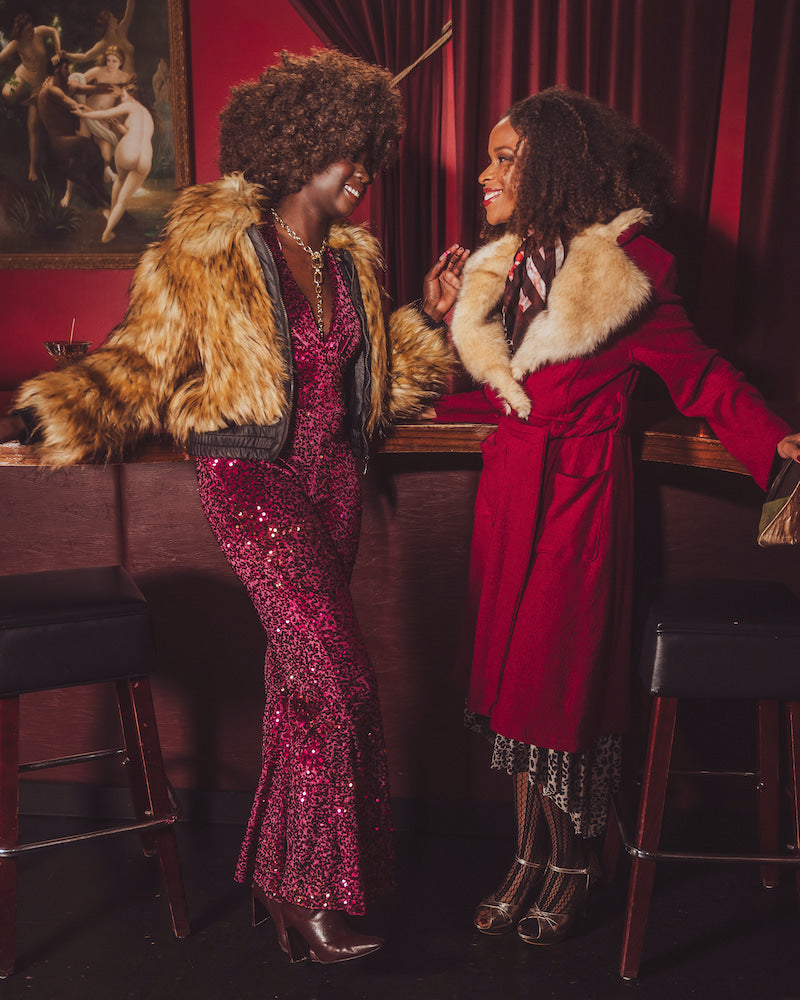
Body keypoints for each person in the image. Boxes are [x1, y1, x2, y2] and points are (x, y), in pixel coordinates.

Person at [0, 49, 467, 963]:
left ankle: (275, 881)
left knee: (300, 690)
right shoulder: (211, 249)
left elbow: (369, 388)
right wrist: (41, 409)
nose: (365, 170)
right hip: (252, 484)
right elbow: (142, 359)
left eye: (371, 150)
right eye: (349, 152)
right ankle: (316, 895)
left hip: (333, 485)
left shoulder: (352, 266)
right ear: (300, 150)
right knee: (341, 679)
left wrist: (432, 317)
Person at [435, 86, 800, 946]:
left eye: (503, 157)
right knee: (507, 690)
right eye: (488, 156)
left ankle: (573, 863)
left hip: (579, 502)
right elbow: (505, 384)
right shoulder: (505, 262)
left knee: (556, 690)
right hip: (509, 493)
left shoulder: (631, 269)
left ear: (552, 165)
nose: (484, 173)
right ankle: (527, 854)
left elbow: (702, 377)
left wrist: (780, 448)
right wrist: (431, 326)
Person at [74, 82, 154, 241]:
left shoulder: (131, 106)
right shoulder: (148, 115)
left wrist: (84, 115)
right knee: (124, 199)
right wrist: (118, 125)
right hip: (145, 157)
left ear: (131, 96)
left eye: (123, 95)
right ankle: (107, 232)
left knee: (120, 180)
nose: (122, 99)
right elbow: (133, 133)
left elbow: (106, 113)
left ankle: (109, 222)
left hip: (128, 151)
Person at [36, 54, 109, 210]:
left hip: (68, 140)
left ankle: (98, 194)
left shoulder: (63, 88)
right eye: (65, 69)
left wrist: (120, 86)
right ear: (56, 70)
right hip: (61, 142)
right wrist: (105, 116)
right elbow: (76, 107)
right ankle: (77, 178)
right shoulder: (51, 91)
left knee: (95, 158)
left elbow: (95, 88)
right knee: (92, 150)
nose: (68, 72)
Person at [0, 12, 61, 181]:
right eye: (27, 31)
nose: (31, 33)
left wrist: (58, 52)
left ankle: (32, 168)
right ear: (20, 32)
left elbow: (54, 32)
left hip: (38, 84)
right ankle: (23, 103)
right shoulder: (16, 44)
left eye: (30, 28)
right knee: (6, 93)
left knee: (33, 126)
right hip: (22, 74)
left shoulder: (39, 31)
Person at [72, 45, 134, 182]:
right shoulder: (97, 71)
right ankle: (80, 176)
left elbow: (129, 96)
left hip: (104, 118)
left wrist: (122, 93)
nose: (111, 64)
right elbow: (78, 80)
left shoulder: (124, 77)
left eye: (114, 61)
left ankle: (105, 172)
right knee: (83, 142)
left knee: (106, 155)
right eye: (108, 60)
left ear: (121, 62)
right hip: (87, 113)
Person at [63, 0, 136, 78]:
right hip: (119, 84)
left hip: (132, 82)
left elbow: (130, 9)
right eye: (113, 17)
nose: (116, 19)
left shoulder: (122, 30)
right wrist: (66, 55)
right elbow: (85, 57)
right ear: (108, 23)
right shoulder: (104, 44)